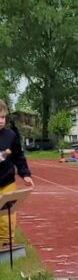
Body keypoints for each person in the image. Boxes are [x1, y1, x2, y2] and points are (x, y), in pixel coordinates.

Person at [0, 99, 35, 247]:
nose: (1, 120)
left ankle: (6, 243)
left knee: (7, 215)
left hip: (7, 181)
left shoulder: (11, 136)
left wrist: (25, 174)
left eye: (2, 117)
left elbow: (19, 157)